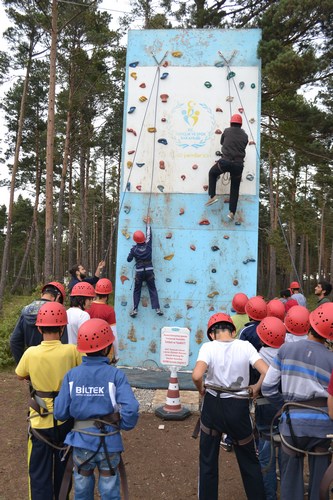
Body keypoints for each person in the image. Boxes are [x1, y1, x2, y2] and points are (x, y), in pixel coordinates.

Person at [54, 318, 139, 500]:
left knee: (82, 490)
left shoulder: (72, 375)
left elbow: (60, 413)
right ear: (108, 348)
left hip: (81, 442)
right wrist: (123, 425)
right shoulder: (116, 375)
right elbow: (130, 409)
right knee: (109, 490)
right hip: (109, 442)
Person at [192, 312, 267, 500]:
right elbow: (267, 371)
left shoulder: (208, 347)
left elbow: (196, 375)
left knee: (208, 460)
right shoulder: (245, 346)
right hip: (238, 407)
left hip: (212, 406)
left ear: (212, 334)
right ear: (233, 331)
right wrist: (255, 388)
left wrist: (201, 389)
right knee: (249, 460)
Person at [262, 302, 333, 500]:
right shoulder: (331, 359)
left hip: (292, 425)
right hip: (323, 428)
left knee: (290, 481)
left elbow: (268, 387)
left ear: (310, 322)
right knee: (320, 484)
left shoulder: (285, 350)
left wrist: (286, 406)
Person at [15, 302, 81, 500]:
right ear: (62, 328)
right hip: (65, 420)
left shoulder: (31, 353)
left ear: (39, 328)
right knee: (64, 471)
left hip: (39, 422)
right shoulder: (73, 351)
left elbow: (20, 375)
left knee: (38, 474)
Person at [256, 316, 287, 500]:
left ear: (261, 337)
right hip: (285, 408)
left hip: (265, 408)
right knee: (286, 451)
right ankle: (288, 492)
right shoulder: (288, 352)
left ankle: (269, 495)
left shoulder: (258, 356)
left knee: (266, 455)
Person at [10, 281, 67, 364]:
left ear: (42, 294)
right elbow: (64, 341)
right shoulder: (56, 312)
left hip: (32, 361)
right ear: (58, 297)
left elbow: (14, 340)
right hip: (52, 362)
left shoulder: (26, 310)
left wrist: (22, 365)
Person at [205, 113, 248, 221]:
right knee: (235, 188)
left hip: (226, 162)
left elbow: (222, 142)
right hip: (238, 165)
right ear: (241, 124)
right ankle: (232, 212)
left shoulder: (227, 131)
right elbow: (242, 146)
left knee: (212, 173)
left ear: (231, 122)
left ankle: (212, 196)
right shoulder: (245, 135)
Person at [127, 216, 163, 317]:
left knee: (137, 290)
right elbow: (149, 235)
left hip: (139, 272)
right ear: (143, 239)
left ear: (135, 240)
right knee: (152, 288)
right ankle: (157, 308)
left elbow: (128, 259)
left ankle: (135, 310)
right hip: (149, 271)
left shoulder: (134, 249)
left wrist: (132, 254)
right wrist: (148, 223)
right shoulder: (148, 245)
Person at [87, 278, 119, 362]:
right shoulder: (109, 311)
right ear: (108, 294)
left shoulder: (87, 307)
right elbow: (114, 334)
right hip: (102, 348)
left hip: (87, 345)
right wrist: (117, 355)